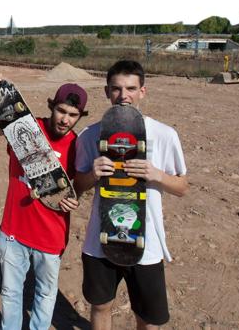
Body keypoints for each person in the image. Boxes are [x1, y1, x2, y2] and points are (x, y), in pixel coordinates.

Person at [74, 60, 189, 330]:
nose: (123, 95)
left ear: (142, 91)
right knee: (101, 305)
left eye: (131, 88)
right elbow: (77, 187)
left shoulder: (164, 135)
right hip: (100, 239)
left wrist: (156, 174)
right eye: (116, 89)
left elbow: (183, 187)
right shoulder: (90, 136)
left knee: (149, 319)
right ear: (106, 91)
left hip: (145, 244)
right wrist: (92, 175)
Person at [0, 75, 88, 329]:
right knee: (11, 294)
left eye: (73, 115)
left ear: (79, 117)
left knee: (45, 295)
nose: (65, 119)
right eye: (61, 110)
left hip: (51, 236)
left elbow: (78, 187)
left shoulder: (78, 146)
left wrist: (74, 200)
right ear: (51, 106)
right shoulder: (22, 127)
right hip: (14, 232)